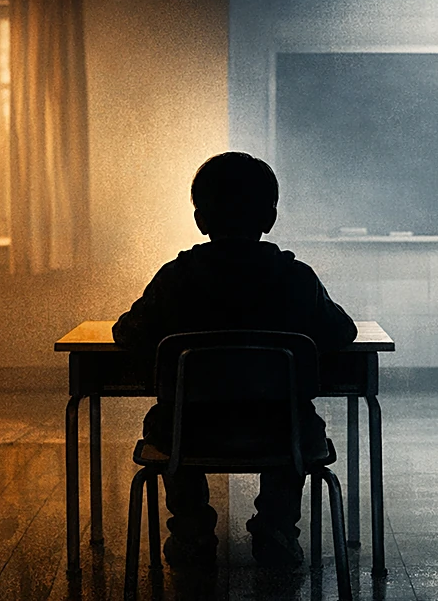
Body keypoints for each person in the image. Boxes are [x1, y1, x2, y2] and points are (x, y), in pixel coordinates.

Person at [113, 151, 357, 571]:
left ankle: (190, 528)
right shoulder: (296, 278)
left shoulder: (177, 277)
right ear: (270, 216)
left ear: (200, 219)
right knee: (300, 417)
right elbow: (342, 333)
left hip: (188, 435)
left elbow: (127, 333)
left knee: (162, 419)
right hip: (282, 435)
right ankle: (277, 526)